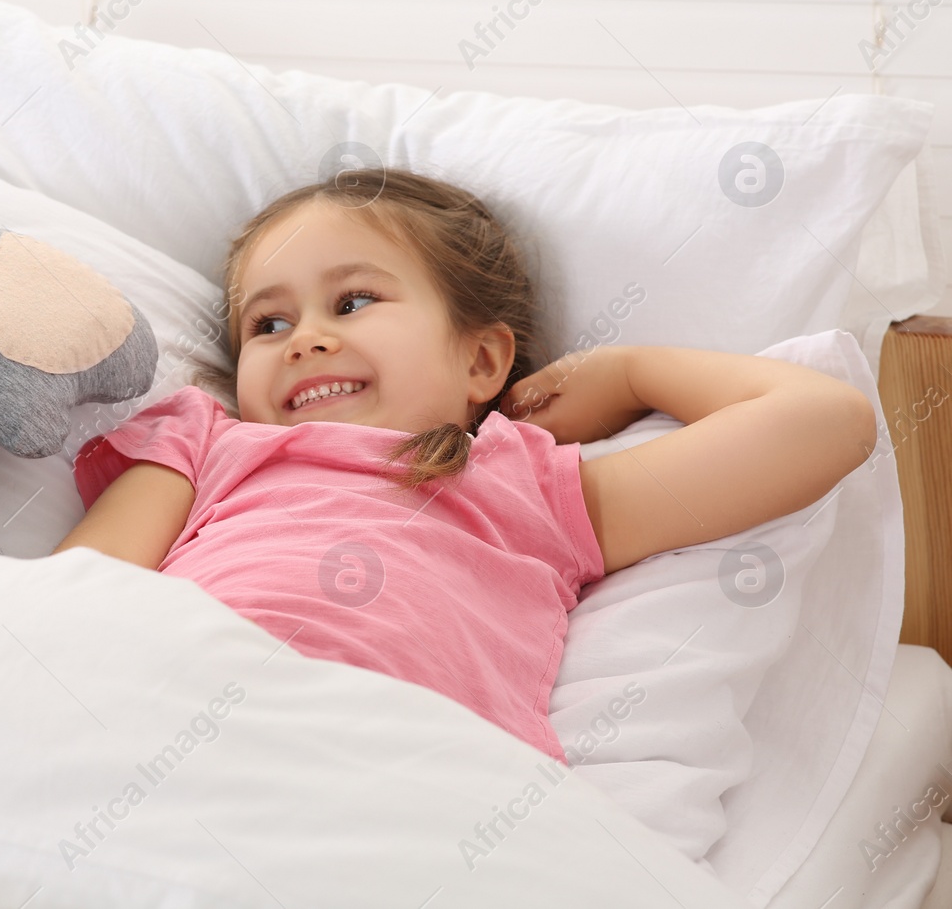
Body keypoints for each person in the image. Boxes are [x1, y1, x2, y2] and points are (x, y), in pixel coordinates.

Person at [51, 167, 876, 762]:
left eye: (353, 301)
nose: (303, 337)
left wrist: (629, 371)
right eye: (266, 324)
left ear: (483, 361)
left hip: (417, 776)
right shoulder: (205, 446)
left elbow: (826, 420)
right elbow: (64, 603)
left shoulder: (529, 484)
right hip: (178, 720)